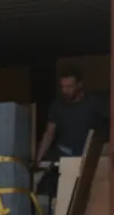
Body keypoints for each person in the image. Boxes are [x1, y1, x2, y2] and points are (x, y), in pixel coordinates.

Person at [33, 66, 109, 201]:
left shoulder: (94, 104)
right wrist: (38, 159)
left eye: (69, 86)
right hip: (64, 158)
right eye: (62, 87)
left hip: (87, 159)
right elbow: (49, 133)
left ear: (79, 85)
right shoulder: (57, 106)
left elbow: (105, 132)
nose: (65, 90)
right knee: (47, 189)